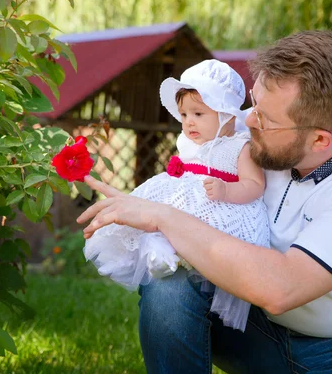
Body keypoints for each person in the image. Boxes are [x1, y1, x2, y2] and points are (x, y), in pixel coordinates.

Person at [78, 30, 332, 373]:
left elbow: (283, 288)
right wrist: (147, 199)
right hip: (250, 326)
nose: (248, 119)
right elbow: (192, 170)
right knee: (168, 285)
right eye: (255, 102)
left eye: (266, 118)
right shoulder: (249, 134)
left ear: (320, 141)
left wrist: (163, 217)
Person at [83, 59, 270, 331]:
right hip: (186, 202)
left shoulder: (240, 147)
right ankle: (161, 252)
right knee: (155, 215)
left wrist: (227, 189)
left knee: (198, 238)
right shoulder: (189, 144)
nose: (189, 123)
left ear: (227, 114)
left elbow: (255, 184)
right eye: (184, 115)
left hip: (222, 207)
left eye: (198, 114)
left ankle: (184, 258)